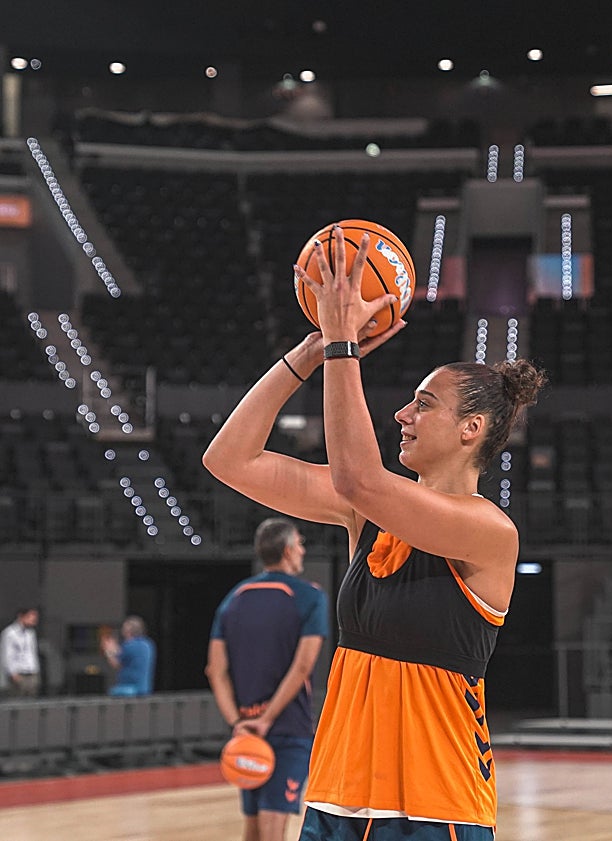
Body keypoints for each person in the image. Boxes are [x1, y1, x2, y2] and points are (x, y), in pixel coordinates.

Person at [202, 226, 547, 841]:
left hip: (431, 808)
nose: (403, 414)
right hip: (336, 796)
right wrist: (305, 356)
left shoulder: (489, 531)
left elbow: (360, 480)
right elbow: (230, 460)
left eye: (425, 403)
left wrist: (343, 346)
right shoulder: (371, 517)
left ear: (472, 429)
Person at [206, 517, 329, 841]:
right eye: (300, 544)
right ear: (288, 551)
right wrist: (269, 717)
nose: (302, 551)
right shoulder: (310, 597)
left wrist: (237, 721)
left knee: (253, 829)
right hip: (287, 728)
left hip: (246, 730)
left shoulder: (233, 598)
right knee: (273, 830)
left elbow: (215, 671)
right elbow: (302, 667)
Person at [101, 615, 156, 697]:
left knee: (111, 692)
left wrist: (108, 651)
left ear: (128, 631)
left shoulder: (129, 645)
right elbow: (127, 655)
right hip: (144, 688)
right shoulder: (148, 644)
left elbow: (116, 664)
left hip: (130, 689)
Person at [0, 607, 41, 698]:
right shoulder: (10, 633)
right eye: (31, 616)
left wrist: (36, 670)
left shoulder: (30, 633)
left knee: (31, 701)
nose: (34, 619)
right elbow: (7, 654)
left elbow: (32, 653)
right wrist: (13, 672)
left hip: (31, 672)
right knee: (17, 700)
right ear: (21, 616)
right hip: (18, 673)